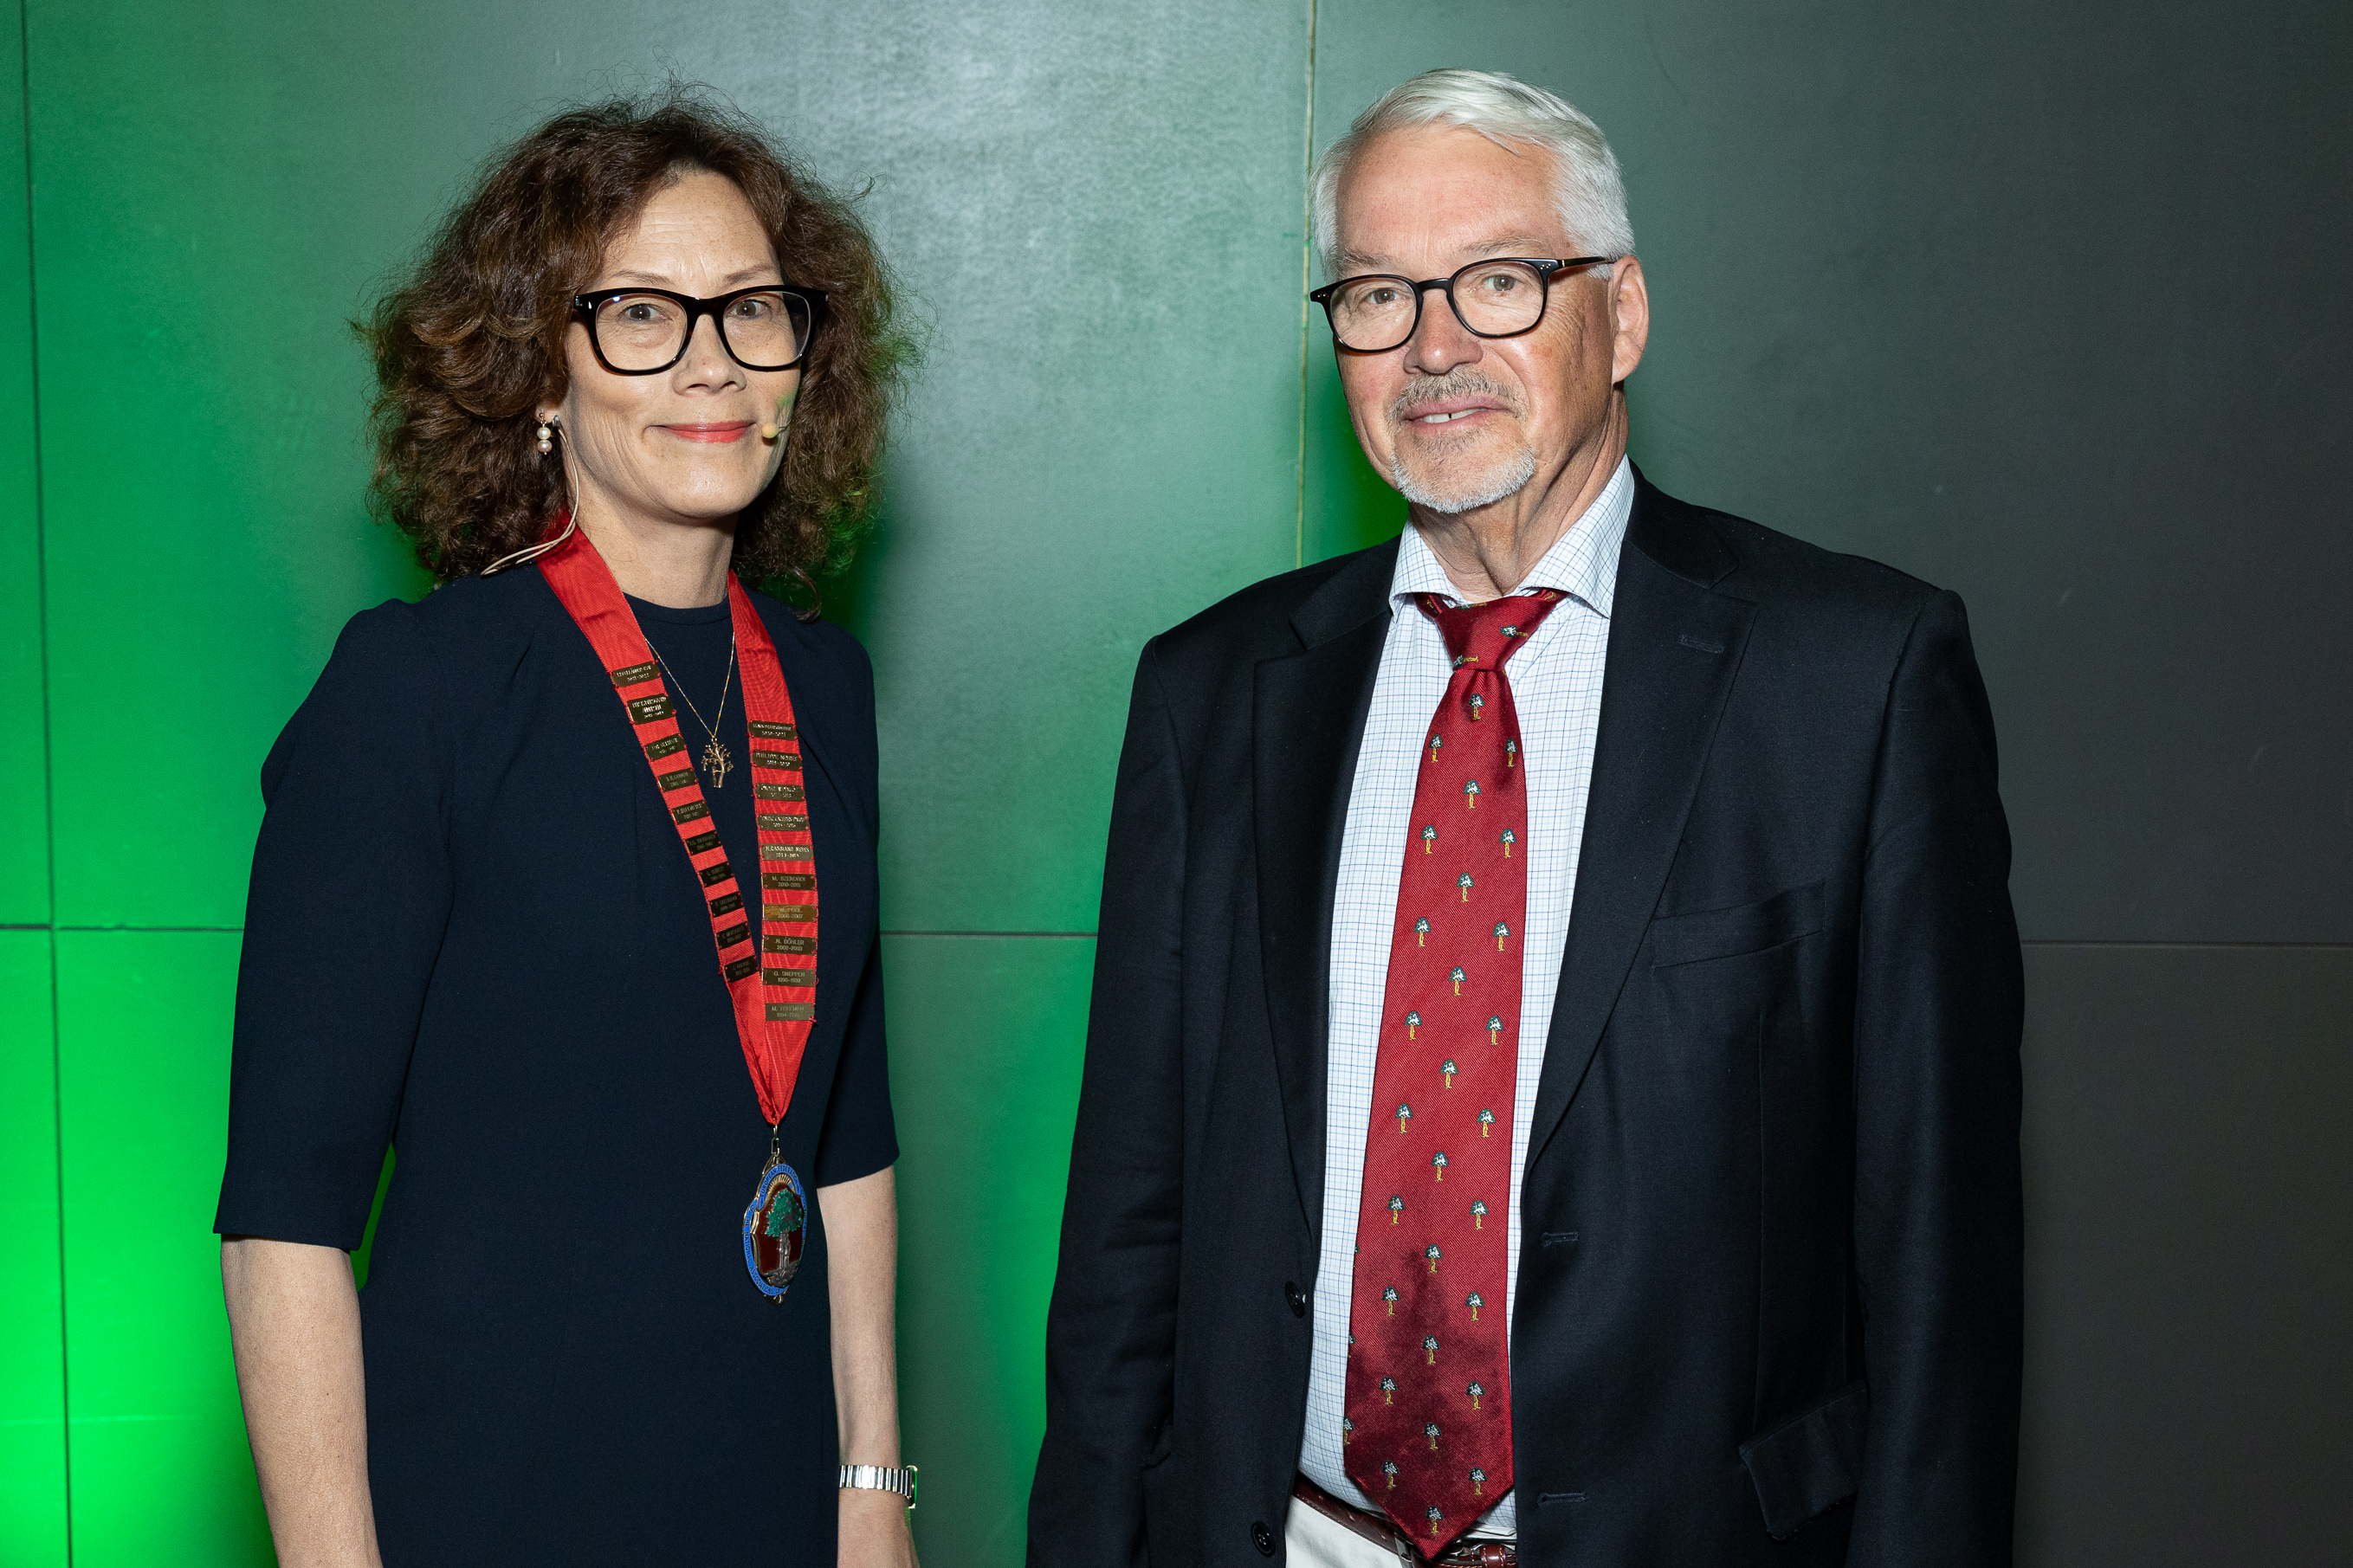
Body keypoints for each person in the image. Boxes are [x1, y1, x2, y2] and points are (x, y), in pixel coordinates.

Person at [1030, 69, 2021, 1567]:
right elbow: (1129, 1220)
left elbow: (1938, 1259)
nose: (1434, 346)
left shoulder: (1852, 678)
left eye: (1497, 280)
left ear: (1619, 315)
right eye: (1377, 294)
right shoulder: (1212, 692)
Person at [216, 93, 921, 1565]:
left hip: (769, 1491)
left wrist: (869, 1495)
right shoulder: (414, 692)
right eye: (641, 315)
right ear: (540, 371)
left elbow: (843, 1136)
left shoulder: (825, 685)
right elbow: (286, 1217)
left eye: (752, 310)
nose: (712, 362)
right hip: (491, 1499)